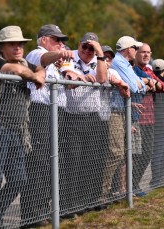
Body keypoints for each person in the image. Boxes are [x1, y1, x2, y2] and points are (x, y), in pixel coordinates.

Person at [0, 25, 45, 228]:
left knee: (19, 179)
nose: (18, 47)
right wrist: (34, 77)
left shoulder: (26, 64)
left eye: (20, 44)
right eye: (12, 44)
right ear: (2, 48)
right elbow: (15, 70)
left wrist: (37, 74)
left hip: (18, 131)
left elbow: (42, 69)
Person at [22, 24, 72, 226]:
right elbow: (42, 59)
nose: (60, 44)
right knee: (39, 161)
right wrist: (59, 55)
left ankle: (43, 208)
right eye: (56, 39)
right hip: (39, 112)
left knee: (52, 162)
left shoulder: (57, 63)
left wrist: (65, 66)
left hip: (55, 112)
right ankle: (31, 214)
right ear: (43, 39)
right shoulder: (37, 52)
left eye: (62, 41)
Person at [58, 32, 107, 214]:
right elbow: (69, 76)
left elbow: (102, 79)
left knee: (91, 162)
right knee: (72, 163)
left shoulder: (98, 60)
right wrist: (84, 78)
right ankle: (68, 207)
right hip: (72, 117)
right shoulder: (70, 55)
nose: (87, 50)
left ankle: (87, 202)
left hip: (93, 117)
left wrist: (100, 53)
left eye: (91, 48)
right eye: (84, 46)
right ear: (79, 45)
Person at [111, 36, 146, 195]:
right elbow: (134, 86)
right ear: (127, 49)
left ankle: (122, 190)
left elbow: (140, 85)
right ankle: (107, 193)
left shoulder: (125, 64)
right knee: (117, 153)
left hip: (122, 110)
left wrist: (141, 84)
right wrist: (141, 84)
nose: (137, 51)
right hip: (115, 111)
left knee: (124, 153)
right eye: (135, 48)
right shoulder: (118, 62)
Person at [133, 43, 164, 194]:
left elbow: (163, 87)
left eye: (148, 52)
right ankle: (129, 187)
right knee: (133, 155)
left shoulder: (149, 70)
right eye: (143, 52)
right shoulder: (131, 69)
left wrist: (153, 84)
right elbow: (136, 86)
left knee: (147, 154)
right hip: (135, 119)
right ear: (135, 53)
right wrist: (148, 84)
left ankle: (134, 184)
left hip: (149, 119)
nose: (146, 55)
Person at [100, 45, 130, 201]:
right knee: (115, 152)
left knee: (120, 153)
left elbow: (127, 91)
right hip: (104, 116)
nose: (107, 60)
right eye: (103, 57)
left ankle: (108, 191)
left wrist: (119, 83)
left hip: (118, 114)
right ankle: (103, 192)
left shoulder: (114, 71)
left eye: (109, 58)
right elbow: (103, 77)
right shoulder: (98, 70)